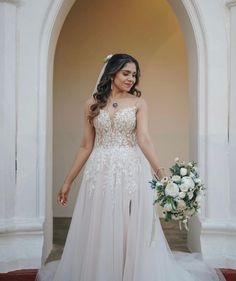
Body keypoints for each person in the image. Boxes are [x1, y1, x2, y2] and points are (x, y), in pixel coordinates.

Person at [36, 54, 225, 281]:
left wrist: (161, 173)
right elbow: (86, 145)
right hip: (100, 171)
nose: (131, 79)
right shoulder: (91, 104)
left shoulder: (138, 103)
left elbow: (144, 139)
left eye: (134, 75)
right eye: (126, 73)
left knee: (130, 223)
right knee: (101, 222)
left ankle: (131, 272)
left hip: (131, 170)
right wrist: (68, 181)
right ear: (112, 72)